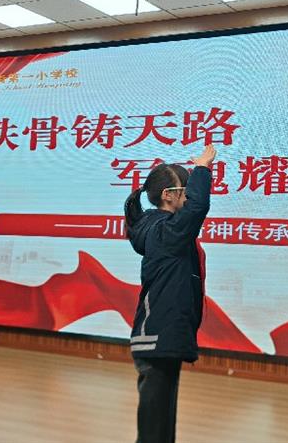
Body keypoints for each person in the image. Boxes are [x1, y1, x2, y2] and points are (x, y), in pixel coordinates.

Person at [123, 144, 217, 443]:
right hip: (158, 337)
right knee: (154, 430)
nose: (188, 197)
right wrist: (202, 168)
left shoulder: (158, 227)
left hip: (162, 337)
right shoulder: (167, 231)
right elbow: (197, 208)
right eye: (184, 191)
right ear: (168, 195)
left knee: (161, 427)